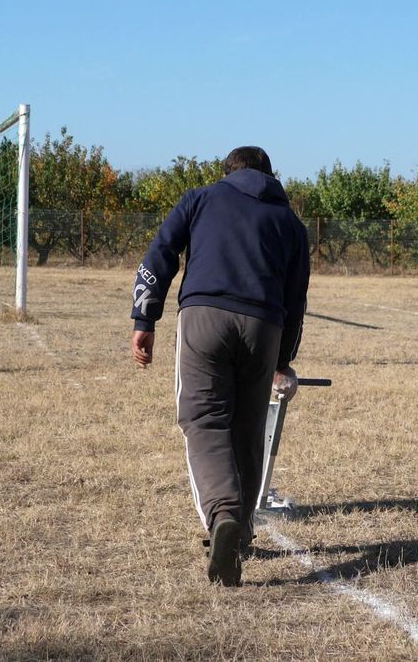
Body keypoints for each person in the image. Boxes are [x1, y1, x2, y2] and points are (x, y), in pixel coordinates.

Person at [130, 146, 310, 587]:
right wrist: (282, 360)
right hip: (264, 324)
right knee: (248, 428)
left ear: (227, 172)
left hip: (204, 315)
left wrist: (144, 318)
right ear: (271, 175)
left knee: (204, 419)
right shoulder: (290, 222)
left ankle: (224, 515)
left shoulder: (201, 198)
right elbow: (296, 299)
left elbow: (160, 254)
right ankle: (241, 529)